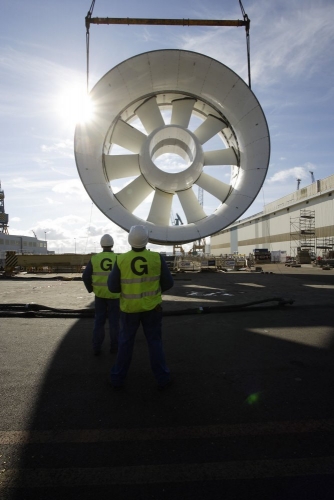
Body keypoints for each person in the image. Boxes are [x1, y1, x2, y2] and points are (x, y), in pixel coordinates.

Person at [107, 225, 174, 390]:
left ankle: (117, 378)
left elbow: (113, 287)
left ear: (130, 240)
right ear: (147, 239)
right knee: (155, 342)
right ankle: (163, 378)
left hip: (129, 309)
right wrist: (154, 293)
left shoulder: (121, 259)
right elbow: (168, 283)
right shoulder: (156, 258)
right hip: (153, 308)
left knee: (125, 343)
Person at [82, 234, 120, 356]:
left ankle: (97, 347)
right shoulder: (118, 258)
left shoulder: (95, 258)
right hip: (115, 296)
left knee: (99, 322)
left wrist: (91, 289)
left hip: (99, 295)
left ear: (101, 245)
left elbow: (85, 276)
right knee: (114, 323)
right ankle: (115, 347)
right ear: (112, 244)